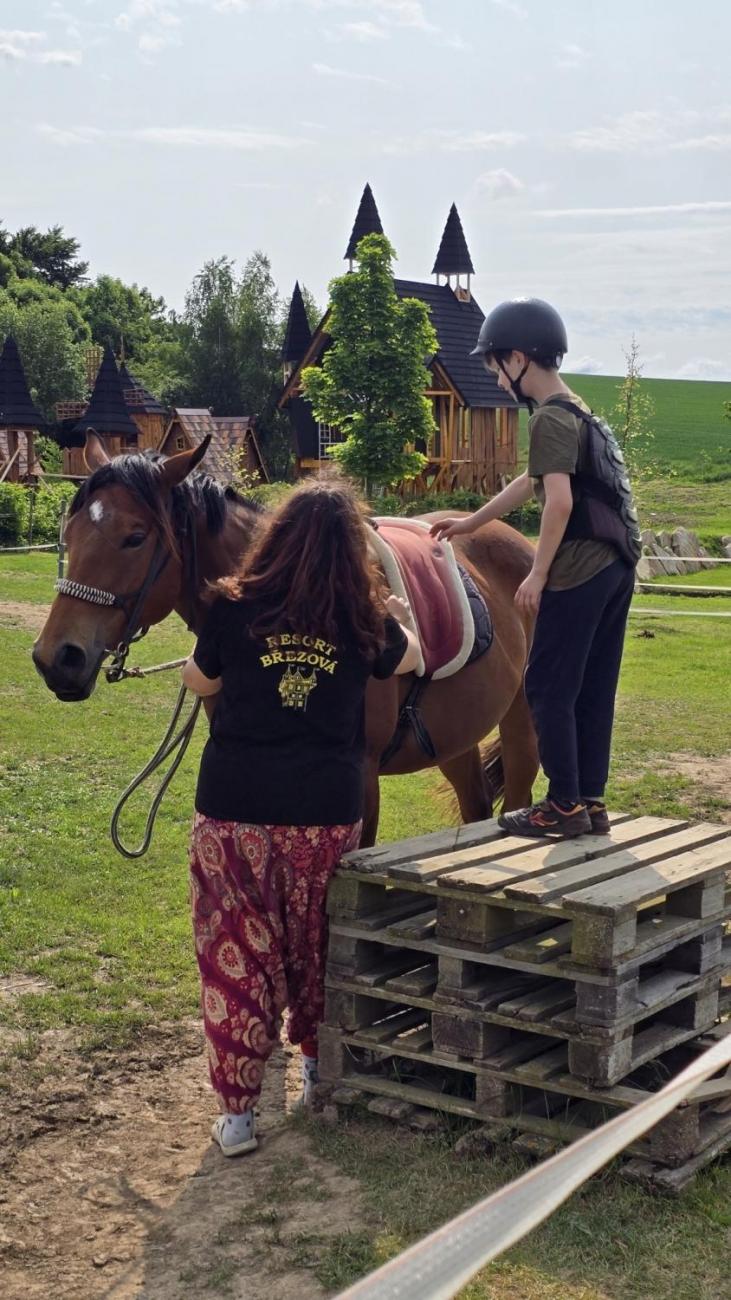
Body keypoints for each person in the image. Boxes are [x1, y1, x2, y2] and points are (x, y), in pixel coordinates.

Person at [182, 476, 420, 1156]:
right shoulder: (364, 619)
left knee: (235, 954)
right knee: (316, 948)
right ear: (352, 551)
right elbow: (413, 658)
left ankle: (237, 1117)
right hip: (323, 815)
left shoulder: (231, 606)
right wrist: (394, 611)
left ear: (276, 537)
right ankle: (316, 1071)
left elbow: (198, 680)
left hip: (233, 813)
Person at [431, 298, 639, 839]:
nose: (499, 381)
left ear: (520, 358)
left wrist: (538, 572)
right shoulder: (578, 411)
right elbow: (532, 482)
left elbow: (559, 502)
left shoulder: (548, 417)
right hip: (617, 566)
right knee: (592, 687)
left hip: (581, 567)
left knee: (546, 685)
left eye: (498, 367)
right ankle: (589, 801)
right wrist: (470, 522)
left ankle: (563, 804)